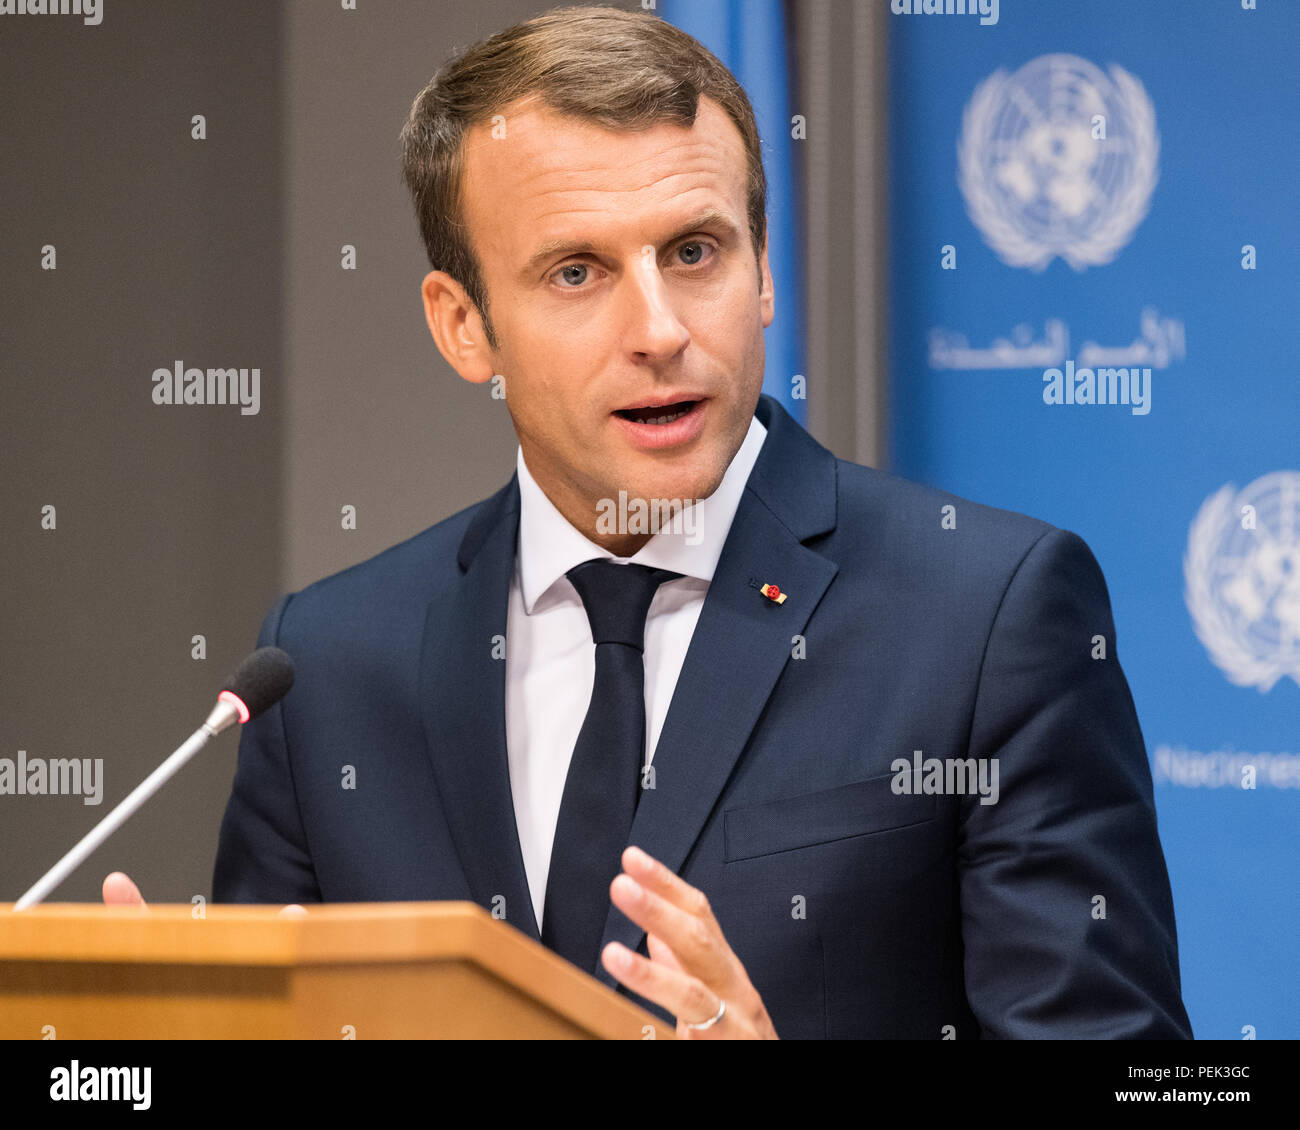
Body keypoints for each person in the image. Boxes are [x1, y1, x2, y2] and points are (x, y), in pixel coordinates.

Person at [106, 5, 1192, 1040]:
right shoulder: (327, 672)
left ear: (766, 268)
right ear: (462, 325)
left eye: (694, 251)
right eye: (576, 272)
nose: (660, 329)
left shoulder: (983, 615)